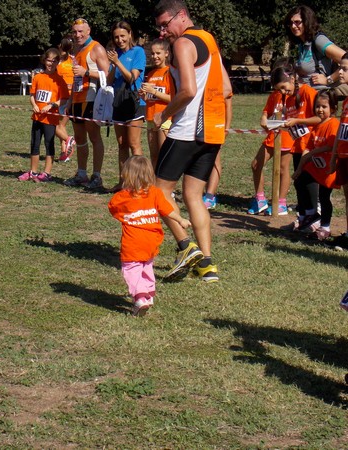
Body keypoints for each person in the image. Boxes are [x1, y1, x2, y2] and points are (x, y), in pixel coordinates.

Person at [151, 0, 232, 283]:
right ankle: (207, 264)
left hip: (186, 131)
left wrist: (163, 114)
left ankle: (186, 246)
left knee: (159, 192)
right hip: (211, 132)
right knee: (193, 196)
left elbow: (187, 89)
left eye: (165, 24)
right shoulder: (208, 39)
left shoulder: (184, 45)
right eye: (159, 27)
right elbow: (226, 88)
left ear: (182, 16)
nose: (162, 32)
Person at [108, 155, 191, 316]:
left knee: (132, 268)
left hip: (133, 241)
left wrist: (126, 216)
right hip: (152, 239)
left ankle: (140, 297)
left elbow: (113, 208)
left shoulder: (123, 196)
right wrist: (181, 219)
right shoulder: (155, 193)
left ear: (126, 175)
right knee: (147, 265)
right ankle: (149, 293)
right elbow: (167, 211)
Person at [268, 59, 321, 228]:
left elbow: (320, 118)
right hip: (297, 146)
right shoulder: (287, 99)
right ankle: (304, 217)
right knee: (299, 182)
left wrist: (298, 120)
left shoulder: (308, 92)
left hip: (311, 147)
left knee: (308, 181)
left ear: (292, 79)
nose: (283, 92)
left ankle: (315, 219)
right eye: (279, 90)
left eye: (284, 87)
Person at [63, 18, 110, 190]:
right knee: (80, 139)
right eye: (75, 32)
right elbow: (76, 77)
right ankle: (81, 173)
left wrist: (87, 72)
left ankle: (96, 175)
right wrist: (69, 100)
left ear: (88, 31)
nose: (78, 35)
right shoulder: (76, 49)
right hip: (76, 99)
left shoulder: (96, 48)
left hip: (91, 99)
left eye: (81, 31)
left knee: (94, 137)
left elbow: (107, 74)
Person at [292, 89, 340, 240]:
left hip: (328, 169)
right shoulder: (316, 126)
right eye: (317, 106)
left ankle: (325, 227)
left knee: (325, 197)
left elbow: (331, 146)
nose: (320, 109)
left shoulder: (333, 124)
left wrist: (313, 153)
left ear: (332, 108)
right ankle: (311, 214)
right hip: (317, 168)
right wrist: (299, 169)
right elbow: (308, 147)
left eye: (324, 107)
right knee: (300, 180)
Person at [18, 48, 69, 183]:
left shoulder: (59, 80)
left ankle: (47, 173)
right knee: (34, 144)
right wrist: (34, 105)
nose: (50, 63)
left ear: (57, 62)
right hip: (37, 117)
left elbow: (64, 99)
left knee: (49, 144)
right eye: (48, 60)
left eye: (54, 61)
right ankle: (33, 172)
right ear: (44, 60)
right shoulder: (38, 77)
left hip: (50, 119)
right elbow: (32, 95)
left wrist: (52, 105)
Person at [107, 20, 146, 192]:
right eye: (116, 37)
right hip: (118, 102)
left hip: (134, 102)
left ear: (130, 34)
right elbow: (109, 81)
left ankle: (139, 182)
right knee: (121, 143)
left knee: (133, 143)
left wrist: (117, 63)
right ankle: (123, 182)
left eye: (122, 36)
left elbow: (132, 77)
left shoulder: (138, 52)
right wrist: (111, 64)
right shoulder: (116, 55)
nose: (119, 40)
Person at [285, 5, 346, 91]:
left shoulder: (318, 41)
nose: (293, 26)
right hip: (305, 95)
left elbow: (346, 60)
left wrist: (328, 79)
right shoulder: (302, 44)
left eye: (297, 22)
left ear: (307, 21)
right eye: (290, 23)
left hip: (320, 97)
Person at [141, 38, 175, 168]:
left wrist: (153, 91)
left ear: (166, 53)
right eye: (152, 53)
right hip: (150, 117)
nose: (154, 56)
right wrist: (144, 95)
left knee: (164, 154)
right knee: (154, 155)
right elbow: (150, 98)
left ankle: (165, 186)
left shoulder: (170, 72)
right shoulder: (151, 73)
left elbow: (173, 98)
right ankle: (154, 184)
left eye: (158, 53)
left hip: (164, 118)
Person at [327, 53, 348, 251]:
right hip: (343, 156)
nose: (340, 72)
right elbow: (342, 129)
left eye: (345, 69)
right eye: (340, 68)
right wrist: (334, 157)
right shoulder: (346, 101)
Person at [55, 37, 76, 162]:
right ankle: (64, 153)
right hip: (63, 97)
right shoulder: (72, 60)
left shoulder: (63, 62)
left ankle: (69, 140)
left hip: (66, 98)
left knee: (57, 126)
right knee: (61, 125)